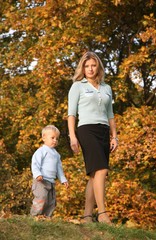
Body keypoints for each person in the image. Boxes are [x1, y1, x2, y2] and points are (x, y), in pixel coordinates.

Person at [67, 51, 118, 224]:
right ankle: (102, 213)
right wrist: (72, 136)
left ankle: (87, 216)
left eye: (93, 65)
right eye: (86, 66)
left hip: (104, 131)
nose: (90, 69)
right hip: (86, 130)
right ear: (82, 67)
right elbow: (71, 114)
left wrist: (114, 137)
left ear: (98, 67)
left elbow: (110, 114)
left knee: (94, 174)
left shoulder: (107, 88)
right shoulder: (77, 86)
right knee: (102, 169)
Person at [30, 125, 68, 218]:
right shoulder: (42, 151)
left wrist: (63, 179)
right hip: (41, 181)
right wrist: (37, 174)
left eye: (57, 138)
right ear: (44, 138)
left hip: (51, 182)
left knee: (51, 201)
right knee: (41, 198)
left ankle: (46, 217)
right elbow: (35, 163)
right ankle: (34, 216)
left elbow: (59, 168)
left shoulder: (56, 154)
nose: (55, 140)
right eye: (52, 138)